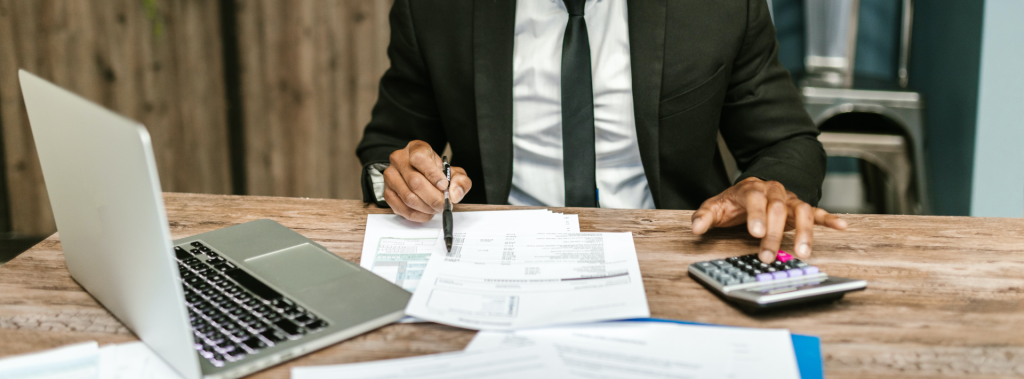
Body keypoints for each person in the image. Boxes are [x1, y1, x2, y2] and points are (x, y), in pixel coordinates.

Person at [357, 0, 847, 263]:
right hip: (497, 262)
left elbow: (785, 142)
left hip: (676, 254)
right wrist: (399, 180)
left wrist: (767, 188)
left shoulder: (719, 6)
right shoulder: (433, 9)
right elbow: (386, 149)